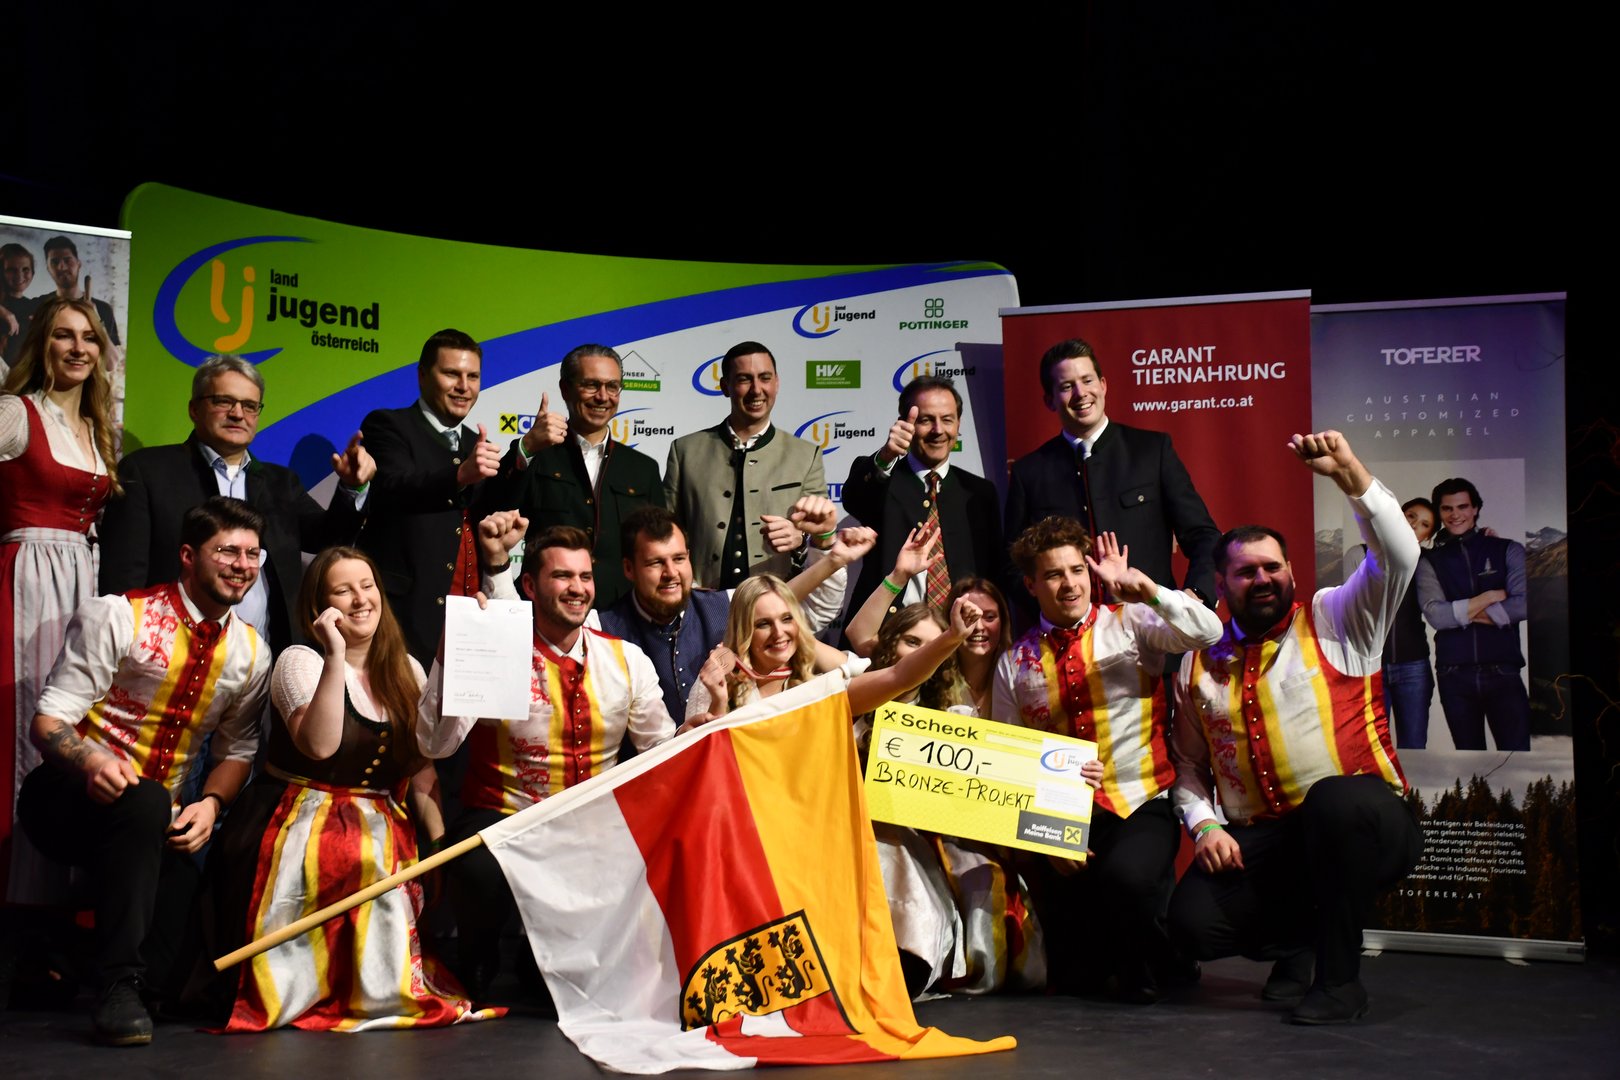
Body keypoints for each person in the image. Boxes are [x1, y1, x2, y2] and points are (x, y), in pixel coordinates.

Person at [1169, 431, 1423, 1025]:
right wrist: (1205, 825)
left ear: (1290, 571)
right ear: (1221, 584)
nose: (1262, 579)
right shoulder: (1196, 664)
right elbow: (1188, 767)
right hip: (1274, 842)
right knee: (1191, 923)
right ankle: (1299, 944)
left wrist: (1350, 474)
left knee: (1332, 802)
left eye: (1273, 567)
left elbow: (1399, 555)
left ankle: (1340, 984)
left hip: (1368, 823)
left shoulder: (1339, 617)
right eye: (1245, 572)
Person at [17, 497, 270, 1046]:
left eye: (253, 554)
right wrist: (92, 760)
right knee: (148, 800)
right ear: (188, 556)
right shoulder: (119, 615)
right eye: (227, 551)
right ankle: (117, 985)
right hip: (64, 797)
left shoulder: (252, 653)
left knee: (174, 981)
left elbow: (237, 752)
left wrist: (211, 805)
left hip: (154, 821)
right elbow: (49, 721)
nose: (242, 565)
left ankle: (120, 976)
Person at [213, 547, 494, 1031]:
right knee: (352, 854)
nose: (361, 599)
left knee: (376, 854)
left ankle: (377, 985)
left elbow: (422, 769)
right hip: (297, 816)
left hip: (381, 821)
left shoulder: (406, 669)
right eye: (343, 591)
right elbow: (320, 746)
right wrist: (336, 655)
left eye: (367, 586)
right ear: (320, 606)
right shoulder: (300, 661)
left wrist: (437, 842)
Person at [417, 525, 679, 996]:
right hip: (506, 819)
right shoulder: (497, 648)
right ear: (530, 586)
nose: (577, 588)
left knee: (561, 990)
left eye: (585, 576)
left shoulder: (627, 660)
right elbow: (436, 746)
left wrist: (697, 729)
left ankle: (545, 962)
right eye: (562, 576)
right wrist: (451, 655)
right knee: (476, 866)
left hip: (591, 827)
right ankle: (479, 959)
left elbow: (660, 753)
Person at [994, 517, 1222, 1002]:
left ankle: (1148, 962)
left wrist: (1148, 589)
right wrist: (1048, 837)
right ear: (1031, 585)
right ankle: (1149, 955)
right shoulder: (1013, 662)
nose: (1069, 584)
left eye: (1077, 570)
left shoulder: (1131, 622)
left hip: (1139, 801)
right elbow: (1009, 757)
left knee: (1127, 880)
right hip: (1063, 816)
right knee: (1077, 979)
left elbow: (1208, 631)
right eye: (1053, 574)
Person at [480, 505, 861, 722]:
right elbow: (522, 639)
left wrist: (828, 550)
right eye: (655, 563)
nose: (671, 574)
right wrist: (497, 565)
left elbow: (810, 609)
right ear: (628, 569)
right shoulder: (600, 626)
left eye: (679, 559)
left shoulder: (725, 605)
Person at [100, 354, 373, 653]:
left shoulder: (281, 483)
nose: (237, 414)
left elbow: (327, 539)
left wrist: (351, 487)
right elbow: (124, 576)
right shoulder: (147, 471)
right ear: (194, 409)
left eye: (249, 405)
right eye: (223, 401)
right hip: (169, 652)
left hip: (266, 655)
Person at [1, 298, 119, 916]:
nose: (78, 348)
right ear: (41, 345)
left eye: (89, 337)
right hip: (25, 576)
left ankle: (56, 902)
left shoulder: (100, 431)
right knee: (24, 716)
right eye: (64, 336)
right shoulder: (14, 413)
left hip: (81, 579)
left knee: (74, 717)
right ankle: (14, 898)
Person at [1004, 338, 1220, 619]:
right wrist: (1057, 612)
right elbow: (1012, 566)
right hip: (1069, 637)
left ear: (1103, 385)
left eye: (1087, 380)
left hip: (1153, 627)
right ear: (1050, 400)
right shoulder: (1029, 472)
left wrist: (1195, 595)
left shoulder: (1152, 450)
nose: (1081, 393)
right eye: (1067, 386)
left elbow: (1203, 535)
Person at [479, 344, 663, 609]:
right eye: (591, 385)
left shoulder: (643, 468)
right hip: (544, 610)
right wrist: (527, 447)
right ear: (565, 389)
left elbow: (657, 546)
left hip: (618, 615)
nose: (603, 396)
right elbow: (492, 510)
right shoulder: (536, 455)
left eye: (612, 386)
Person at [358, 328, 501, 664]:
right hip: (403, 617)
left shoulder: (475, 443)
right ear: (423, 376)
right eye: (451, 374)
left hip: (468, 622)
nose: (464, 386)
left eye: (473, 376)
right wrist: (460, 475)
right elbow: (395, 485)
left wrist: (526, 452)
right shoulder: (388, 425)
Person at [683, 573, 982, 725]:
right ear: (744, 628)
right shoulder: (716, 682)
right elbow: (700, 761)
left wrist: (952, 637)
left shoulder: (819, 686)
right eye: (763, 624)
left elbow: (899, 677)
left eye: (787, 619)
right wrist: (718, 703)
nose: (779, 633)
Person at [664, 340, 829, 588]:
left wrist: (800, 537)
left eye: (765, 378)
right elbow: (666, 530)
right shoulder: (685, 450)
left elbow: (821, 534)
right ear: (725, 387)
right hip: (700, 600)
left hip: (775, 599)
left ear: (777, 383)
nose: (756, 390)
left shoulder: (806, 455)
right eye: (744, 379)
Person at [840, 375, 1003, 619]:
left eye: (947, 419)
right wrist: (886, 456)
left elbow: (993, 573)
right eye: (926, 420)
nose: (938, 430)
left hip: (960, 630)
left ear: (958, 424)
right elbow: (854, 499)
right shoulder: (882, 478)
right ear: (905, 424)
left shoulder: (980, 492)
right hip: (887, 631)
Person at [1415, 478, 1530, 751]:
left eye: (1463, 506)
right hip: (1454, 676)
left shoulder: (1508, 549)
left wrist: (1457, 613)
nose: (1455, 515)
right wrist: (1489, 597)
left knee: (1517, 758)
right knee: (1469, 765)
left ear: (1475, 508)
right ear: (1440, 512)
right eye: (1447, 508)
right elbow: (1436, 617)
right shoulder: (1429, 561)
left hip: (1504, 671)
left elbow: (1523, 605)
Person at [1383, 497, 1438, 749]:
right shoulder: (1365, 553)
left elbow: (1460, 553)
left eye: (1425, 524)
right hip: (1371, 669)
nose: (1415, 525)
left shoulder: (1429, 562)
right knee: (1373, 749)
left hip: (1413, 668)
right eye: (1411, 516)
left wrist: (1485, 536)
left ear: (1427, 537)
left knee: (1414, 747)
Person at [38, 236, 121, 347]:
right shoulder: (40, 305)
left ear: (79, 264)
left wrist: (96, 320)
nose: (61, 267)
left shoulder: (103, 309)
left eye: (67, 260)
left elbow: (114, 355)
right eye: (55, 262)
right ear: (48, 268)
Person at [1, 242, 39, 369]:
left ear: (32, 272)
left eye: (25, 269)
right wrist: (4, 312)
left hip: (23, 373)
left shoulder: (33, 306)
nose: (19, 275)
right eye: (11, 270)